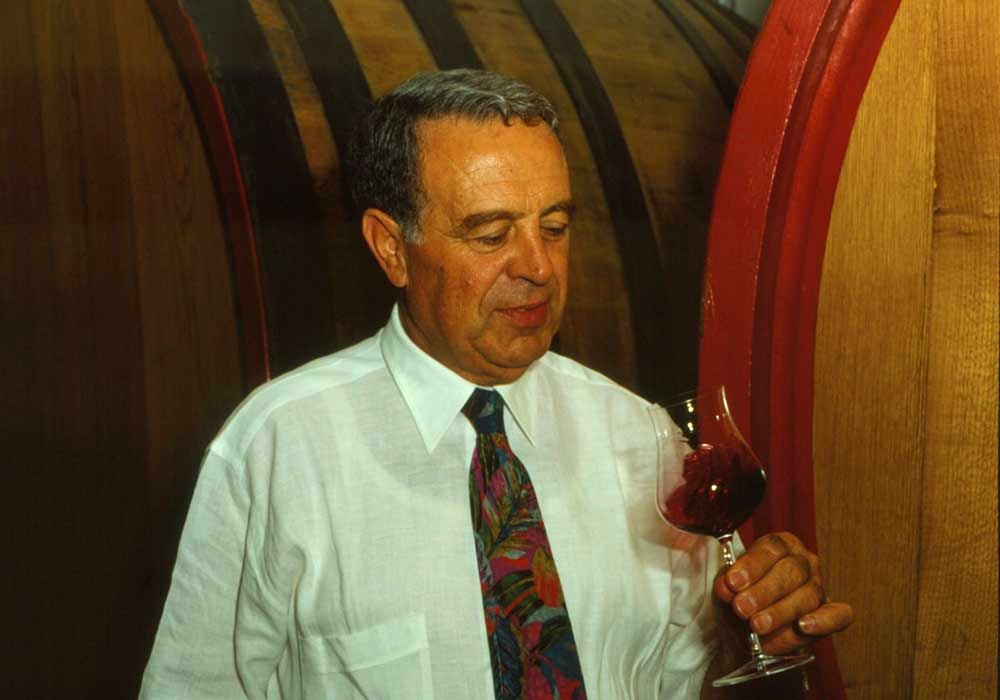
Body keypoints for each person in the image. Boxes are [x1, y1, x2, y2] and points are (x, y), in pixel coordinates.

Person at [140, 69, 852, 699]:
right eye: (491, 234)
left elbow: (694, 678)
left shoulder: (640, 437)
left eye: (555, 226)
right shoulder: (278, 447)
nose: (538, 267)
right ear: (391, 247)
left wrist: (759, 628)